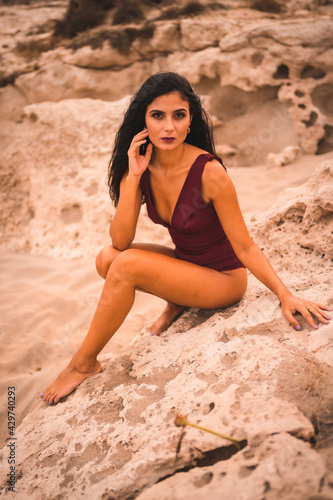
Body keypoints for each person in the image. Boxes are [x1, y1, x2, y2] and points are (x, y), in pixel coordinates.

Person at [40, 72, 332, 405]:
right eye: (157, 116)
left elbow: (245, 246)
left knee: (126, 266)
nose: (169, 127)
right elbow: (120, 241)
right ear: (144, 121)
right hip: (187, 265)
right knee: (107, 259)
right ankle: (176, 301)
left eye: (179, 115)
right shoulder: (140, 166)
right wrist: (133, 177)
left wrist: (285, 294)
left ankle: (83, 363)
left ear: (190, 120)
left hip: (224, 280)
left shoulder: (209, 172)